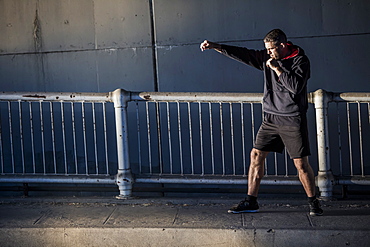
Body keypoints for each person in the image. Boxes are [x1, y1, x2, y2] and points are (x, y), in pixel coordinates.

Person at [200, 29, 323, 216]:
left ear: (282, 45)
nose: (268, 53)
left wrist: (277, 68)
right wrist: (216, 46)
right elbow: (243, 54)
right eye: (266, 49)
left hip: (292, 118)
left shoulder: (300, 61)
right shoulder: (267, 57)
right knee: (256, 155)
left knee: (300, 164)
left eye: (271, 49)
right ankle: (251, 201)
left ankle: (313, 202)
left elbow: (296, 88)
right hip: (271, 118)